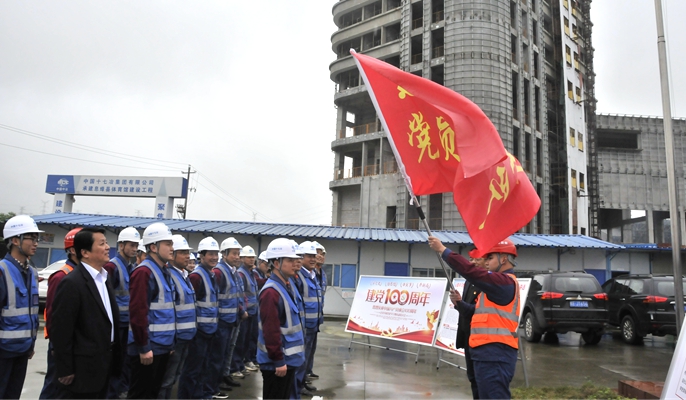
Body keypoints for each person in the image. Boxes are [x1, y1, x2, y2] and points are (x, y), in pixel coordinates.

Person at [428, 236, 520, 400]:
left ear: (504, 259)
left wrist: (443, 250)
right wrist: (459, 303)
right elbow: (476, 312)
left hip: (495, 354)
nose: (486, 262)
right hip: (486, 353)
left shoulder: (504, 282)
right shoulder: (497, 286)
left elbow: (471, 271)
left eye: (490, 258)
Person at [51, 227, 122, 399]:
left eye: (106, 243)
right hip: (83, 370)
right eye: (102, 243)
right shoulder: (72, 283)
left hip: (105, 364)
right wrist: (65, 369)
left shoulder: (104, 278)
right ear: (85, 252)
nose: (108, 247)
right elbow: (61, 330)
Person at [127, 223, 176, 399]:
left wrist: (169, 344)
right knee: (141, 394)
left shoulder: (163, 271)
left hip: (161, 346)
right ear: (154, 247)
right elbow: (138, 313)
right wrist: (143, 347)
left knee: (153, 392)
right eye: (168, 244)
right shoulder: (144, 272)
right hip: (149, 349)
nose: (172, 248)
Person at [257, 238, 306, 399]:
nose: (295, 263)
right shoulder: (271, 292)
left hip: (288, 361)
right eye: (290, 260)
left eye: (296, 259)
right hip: (277, 365)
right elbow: (270, 331)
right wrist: (278, 360)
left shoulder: (286, 286)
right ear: (277, 263)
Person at [0, 215, 41, 399]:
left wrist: (31, 344)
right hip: (3, 352)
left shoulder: (32, 272)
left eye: (37, 238)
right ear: (15, 240)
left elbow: (32, 312)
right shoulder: (2, 271)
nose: (36, 243)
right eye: (31, 238)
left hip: (23, 350)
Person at [39, 227, 82, 400]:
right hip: (61, 345)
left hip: (76, 344)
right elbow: (54, 316)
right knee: (54, 387)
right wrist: (58, 348)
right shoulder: (61, 276)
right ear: (73, 250)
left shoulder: (82, 275)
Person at [178, 237, 220, 399]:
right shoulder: (197, 277)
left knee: (204, 367)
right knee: (192, 370)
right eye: (210, 254)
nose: (214, 257)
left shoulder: (211, 274)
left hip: (209, 330)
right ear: (201, 256)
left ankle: (200, 395)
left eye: (216, 254)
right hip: (199, 333)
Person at [158, 235, 197, 399]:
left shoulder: (184, 275)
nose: (187, 256)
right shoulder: (170, 276)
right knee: (166, 380)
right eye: (183, 253)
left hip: (186, 336)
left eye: (188, 252)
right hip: (176, 338)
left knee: (174, 377)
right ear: (172, 255)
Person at [104, 226, 140, 398]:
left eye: (136, 245)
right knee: (116, 363)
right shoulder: (112, 267)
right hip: (117, 324)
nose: (134, 249)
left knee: (126, 361)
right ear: (121, 245)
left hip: (128, 323)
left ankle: (122, 390)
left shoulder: (131, 267)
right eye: (131, 245)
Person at [206, 237, 244, 399]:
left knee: (224, 354)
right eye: (234, 253)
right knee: (216, 356)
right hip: (221, 321)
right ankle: (213, 387)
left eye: (238, 254)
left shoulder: (232, 271)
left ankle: (220, 379)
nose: (237, 257)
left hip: (231, 320)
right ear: (225, 254)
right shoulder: (219, 272)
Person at [450, 250, 485, 400]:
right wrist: (457, 302)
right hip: (467, 335)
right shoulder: (468, 281)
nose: (473, 262)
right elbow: (466, 310)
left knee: (481, 378)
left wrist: (461, 303)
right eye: (471, 259)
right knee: (472, 376)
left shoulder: (487, 284)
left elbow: (477, 311)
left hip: (480, 337)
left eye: (477, 259)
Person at [293, 241, 322, 397]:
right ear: (301, 257)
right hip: (304, 325)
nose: (312, 259)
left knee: (308, 356)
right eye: (309, 256)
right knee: (301, 357)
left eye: (314, 256)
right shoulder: (299, 277)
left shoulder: (313, 275)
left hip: (314, 324)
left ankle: (303, 381)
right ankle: (297, 386)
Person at [235, 244, 259, 375]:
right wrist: (242, 310)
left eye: (253, 257)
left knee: (250, 338)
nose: (252, 259)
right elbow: (241, 294)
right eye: (249, 257)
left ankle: (244, 362)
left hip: (253, 311)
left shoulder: (251, 273)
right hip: (245, 313)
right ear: (242, 258)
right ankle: (238, 365)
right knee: (241, 340)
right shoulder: (241, 274)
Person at [307, 241, 327, 381]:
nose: (320, 256)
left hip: (316, 317)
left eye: (322, 254)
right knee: (306, 348)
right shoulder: (309, 274)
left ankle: (308, 370)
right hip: (307, 319)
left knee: (312, 347)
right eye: (317, 253)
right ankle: (302, 375)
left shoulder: (321, 273)